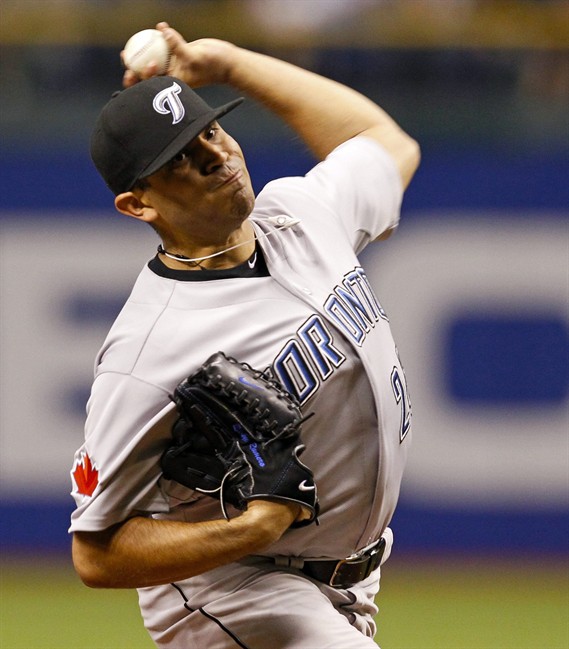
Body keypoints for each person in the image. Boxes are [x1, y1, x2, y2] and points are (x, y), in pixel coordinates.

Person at [69, 21, 420, 649]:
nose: (216, 156)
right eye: (180, 160)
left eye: (212, 130)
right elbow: (96, 553)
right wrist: (248, 532)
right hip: (235, 587)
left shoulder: (302, 212)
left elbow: (384, 142)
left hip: (351, 582)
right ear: (138, 204)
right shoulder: (148, 353)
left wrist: (228, 64)